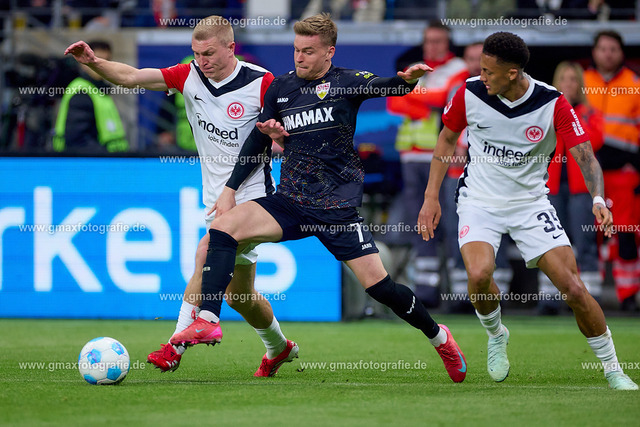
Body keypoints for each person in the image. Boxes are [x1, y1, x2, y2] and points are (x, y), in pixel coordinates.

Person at [172, 13, 468, 383]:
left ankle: (440, 338)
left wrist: (405, 81)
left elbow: (385, 86)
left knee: (381, 288)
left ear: (329, 52)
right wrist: (232, 187)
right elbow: (257, 139)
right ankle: (208, 319)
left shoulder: (347, 82)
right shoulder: (281, 88)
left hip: (336, 209)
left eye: (309, 51)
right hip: (291, 202)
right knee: (223, 228)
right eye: (296, 50)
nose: (300, 57)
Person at [64, 15, 298, 377]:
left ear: (231, 48)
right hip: (216, 199)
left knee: (207, 249)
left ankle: (174, 347)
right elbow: (131, 76)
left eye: (209, 54)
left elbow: (287, 130)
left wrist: (280, 137)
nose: (201, 61)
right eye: (196, 53)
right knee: (240, 297)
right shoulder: (188, 76)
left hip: (253, 195)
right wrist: (95, 62)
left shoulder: (262, 82)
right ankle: (279, 347)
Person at [418, 31, 637, 390]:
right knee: (479, 274)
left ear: (513, 73)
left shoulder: (552, 103)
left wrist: (598, 199)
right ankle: (496, 334)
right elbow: (446, 137)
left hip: (530, 203)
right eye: (481, 68)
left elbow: (585, 155)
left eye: (488, 71)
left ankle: (614, 369)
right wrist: (431, 197)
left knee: (574, 289)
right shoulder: (469, 93)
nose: (480, 76)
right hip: (479, 200)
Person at [387, 22, 467, 307]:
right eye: (428, 41)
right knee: (419, 223)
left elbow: (443, 98)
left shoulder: (458, 68)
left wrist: (413, 97)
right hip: (410, 157)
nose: (432, 46)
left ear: (448, 43)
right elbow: (393, 103)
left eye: (438, 41)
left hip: (442, 158)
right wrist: (423, 103)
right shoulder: (415, 69)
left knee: (451, 222)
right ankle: (426, 288)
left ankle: (460, 291)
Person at [583, 30, 640, 310]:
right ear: (594, 52)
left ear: (621, 52)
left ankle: (628, 296)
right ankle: (588, 295)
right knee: (587, 235)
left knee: (626, 234)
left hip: (624, 173)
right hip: (587, 174)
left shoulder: (635, 83)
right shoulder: (581, 81)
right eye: (603, 48)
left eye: (613, 49)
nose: (608, 54)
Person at [542, 61, 604, 314]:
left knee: (584, 242)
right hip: (552, 188)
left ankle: (589, 299)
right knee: (550, 243)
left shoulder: (590, 113)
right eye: (563, 79)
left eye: (572, 79)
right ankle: (550, 299)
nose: (567, 84)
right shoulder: (546, 111)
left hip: (580, 190)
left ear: (580, 84)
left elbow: (595, 140)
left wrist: (570, 114)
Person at [53, 40, 129, 153]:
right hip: (92, 162)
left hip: (109, 161)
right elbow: (77, 140)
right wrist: (105, 157)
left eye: (106, 60)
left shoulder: (99, 90)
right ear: (82, 63)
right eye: (96, 60)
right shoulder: (81, 92)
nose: (101, 65)